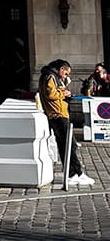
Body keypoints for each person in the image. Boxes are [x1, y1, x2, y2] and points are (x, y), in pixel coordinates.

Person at [38, 59, 94, 188]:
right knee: (70, 145)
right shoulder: (50, 77)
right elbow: (51, 94)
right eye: (66, 73)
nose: (66, 76)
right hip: (58, 114)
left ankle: (73, 174)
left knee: (65, 145)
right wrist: (64, 92)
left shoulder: (52, 77)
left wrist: (65, 89)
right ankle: (76, 173)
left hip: (58, 113)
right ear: (61, 69)